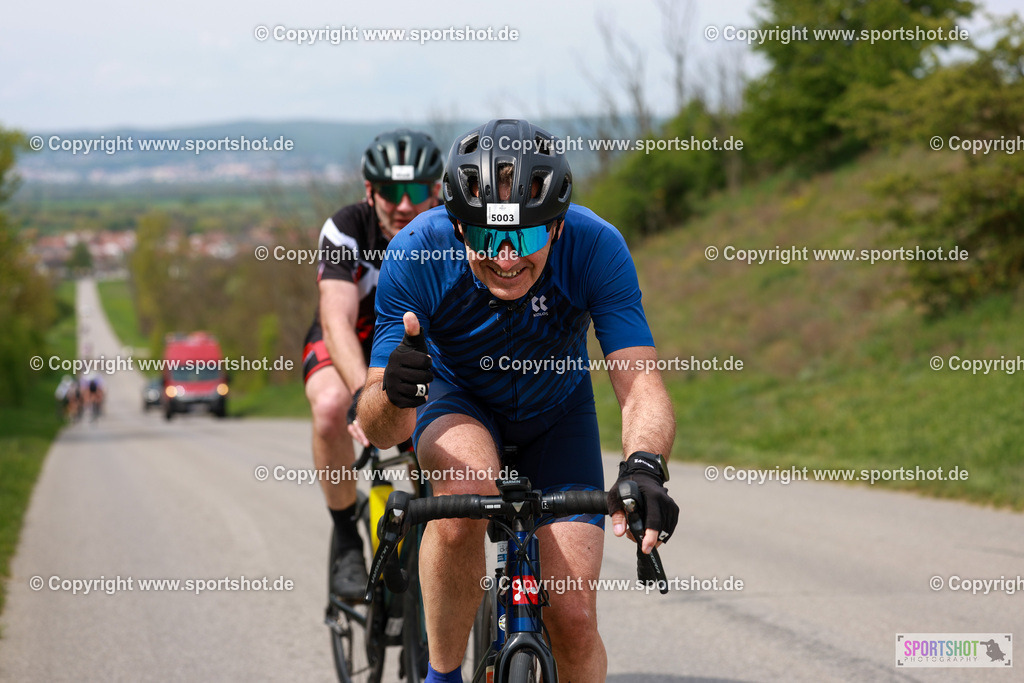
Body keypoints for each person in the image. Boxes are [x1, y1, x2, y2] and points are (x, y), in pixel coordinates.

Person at [357, 119, 680, 682]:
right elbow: (381, 428)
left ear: (556, 227)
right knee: (466, 497)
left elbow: (641, 385)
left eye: (526, 236)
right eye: (486, 237)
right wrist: (393, 393)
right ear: (458, 228)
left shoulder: (596, 247)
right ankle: (442, 675)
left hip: (558, 415)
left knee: (574, 620)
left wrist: (646, 464)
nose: (506, 258)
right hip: (458, 401)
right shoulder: (416, 251)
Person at [301, 129, 443, 599]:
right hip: (350, 343)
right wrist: (366, 392)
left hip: (417, 347)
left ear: (437, 192)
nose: (404, 205)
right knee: (327, 407)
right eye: (390, 192)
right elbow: (337, 318)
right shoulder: (345, 228)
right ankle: (345, 538)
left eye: (417, 192)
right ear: (370, 192)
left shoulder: (449, 231)